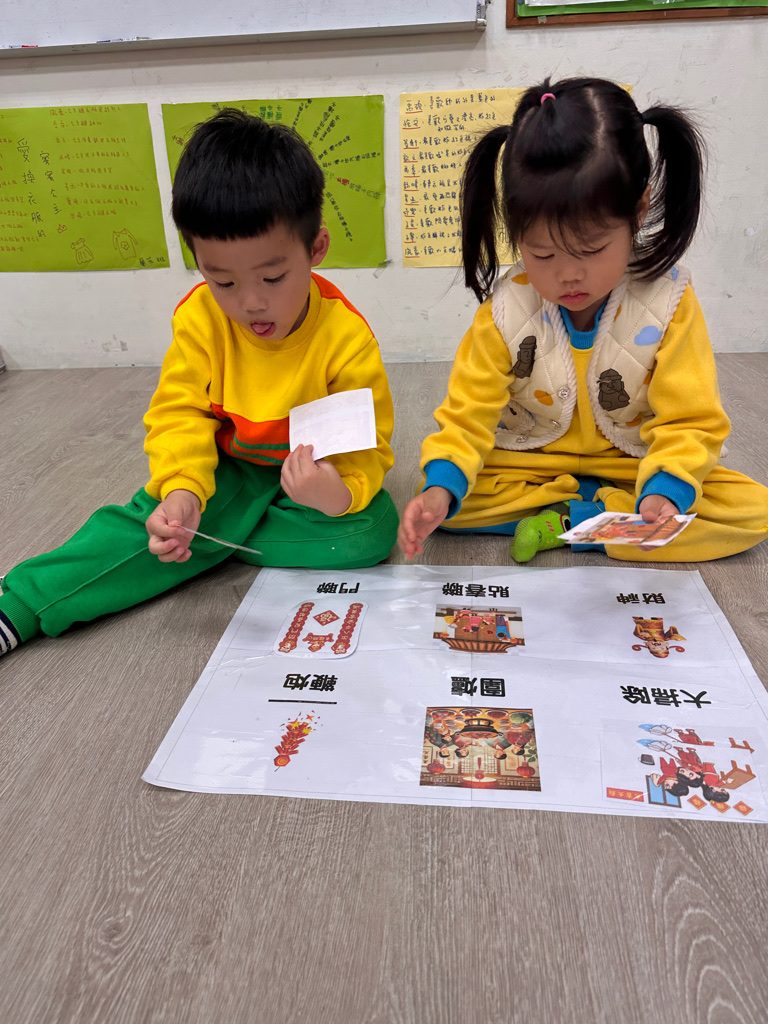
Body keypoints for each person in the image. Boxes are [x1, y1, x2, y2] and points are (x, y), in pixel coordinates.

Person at [0, 109, 397, 657]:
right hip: (224, 468)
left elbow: (366, 447)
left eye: (273, 277)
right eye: (222, 281)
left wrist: (335, 492)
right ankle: (21, 601)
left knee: (370, 533)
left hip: (303, 478)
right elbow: (179, 414)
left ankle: (214, 541)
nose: (251, 302)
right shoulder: (199, 320)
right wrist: (185, 490)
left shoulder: (347, 337)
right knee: (158, 525)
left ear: (316, 249)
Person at [397, 77, 768, 564]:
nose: (568, 275)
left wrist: (665, 491)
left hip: (633, 463)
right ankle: (596, 520)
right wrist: (440, 491)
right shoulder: (506, 310)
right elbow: (467, 416)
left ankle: (571, 520)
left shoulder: (669, 302)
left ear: (639, 209)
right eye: (542, 253)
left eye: (591, 249)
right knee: (452, 503)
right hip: (532, 460)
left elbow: (691, 420)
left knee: (750, 511)